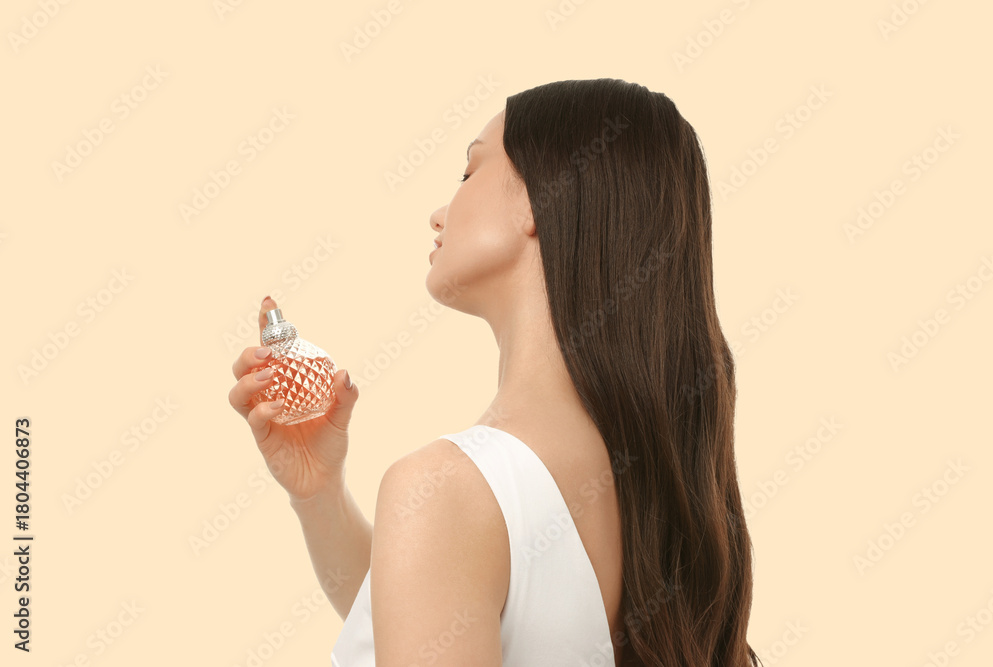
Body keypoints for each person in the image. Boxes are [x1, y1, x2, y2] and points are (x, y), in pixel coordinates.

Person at [229, 78, 761, 667]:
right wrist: (319, 495)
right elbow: (438, 615)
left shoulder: (449, 488)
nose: (438, 214)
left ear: (538, 198)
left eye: (468, 173)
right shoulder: (644, 482)